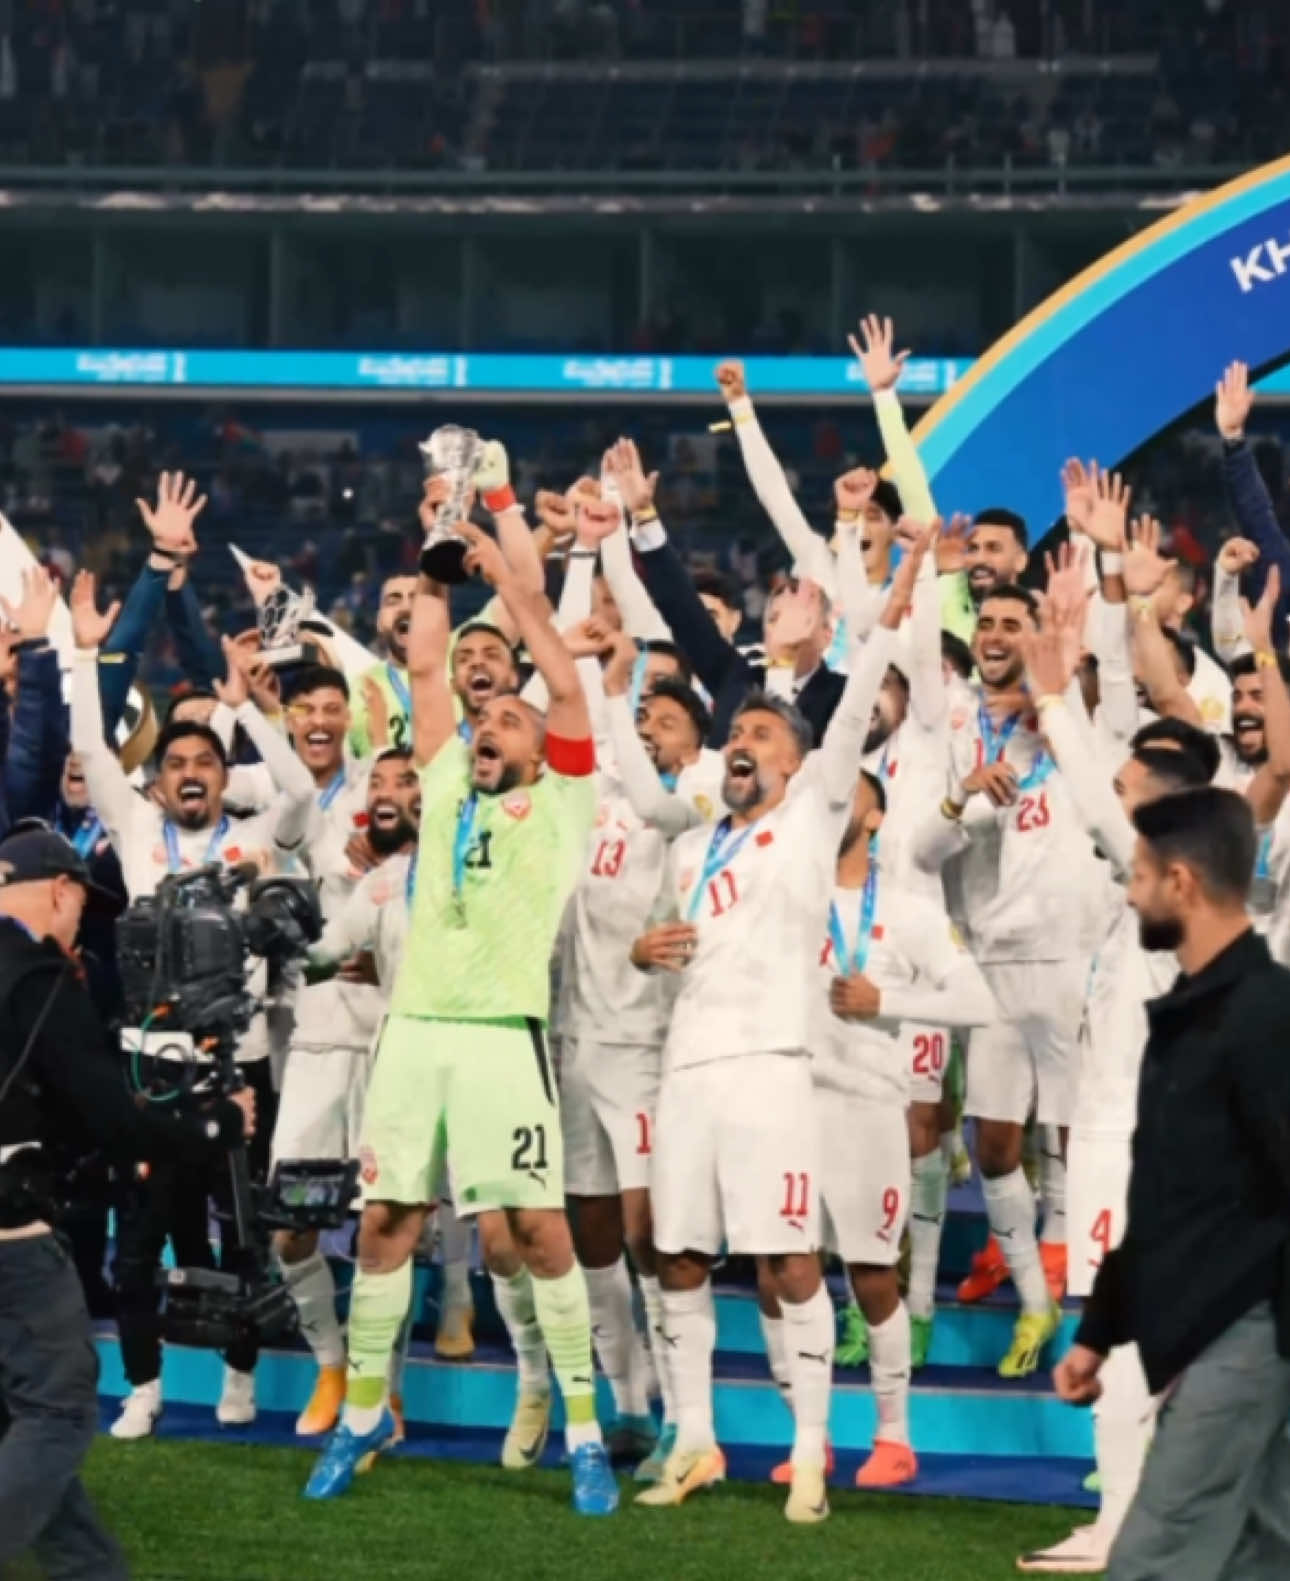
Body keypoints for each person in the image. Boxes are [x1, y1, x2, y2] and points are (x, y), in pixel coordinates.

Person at [305, 520, 618, 1516]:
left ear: (544, 749)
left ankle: (583, 1429)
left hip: (500, 1039)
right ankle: (359, 1421)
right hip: (415, 1035)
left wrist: (507, 577)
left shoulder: (565, 801)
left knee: (537, 1231)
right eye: (487, 725)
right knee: (385, 1222)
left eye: (510, 725)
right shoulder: (443, 779)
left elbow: (563, 684)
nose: (492, 731)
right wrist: (438, 554)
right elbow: (430, 667)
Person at [629, 533, 929, 1523]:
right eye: (738, 736)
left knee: (788, 1262)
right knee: (675, 1256)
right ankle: (698, 1441)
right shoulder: (697, 843)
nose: (745, 745)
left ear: (802, 768)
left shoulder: (810, 821)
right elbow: (672, 943)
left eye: (764, 737)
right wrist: (643, 953)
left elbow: (852, 705)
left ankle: (810, 1455)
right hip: (686, 1071)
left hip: (770, 1072)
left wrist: (888, 600)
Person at [68, 570, 315, 1434]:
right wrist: (86, 651)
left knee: (241, 1239)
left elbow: (300, 790)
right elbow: (95, 751)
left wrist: (244, 707)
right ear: (160, 780)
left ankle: (238, 1380)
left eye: (205, 762)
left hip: (239, 1070)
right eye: (175, 763)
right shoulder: (137, 830)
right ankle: (143, 1385)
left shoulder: (252, 841)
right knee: (142, 1243)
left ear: (223, 773)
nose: (190, 774)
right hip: (151, 1069)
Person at [1012, 595, 1220, 1574]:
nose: (1112, 792)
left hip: (1138, 1148)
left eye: (1129, 782)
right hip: (1120, 1139)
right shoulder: (1156, 889)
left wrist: (1055, 699)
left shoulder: (1185, 884)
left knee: (1128, 1333)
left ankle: (1126, 1522)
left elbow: (1096, 804)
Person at [0, 822, 254, 1580]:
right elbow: (111, 1120)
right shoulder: (38, 977)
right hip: (11, 1237)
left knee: (21, 1419)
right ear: (61, 890)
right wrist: (217, 1121)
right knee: (56, 1413)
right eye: (81, 903)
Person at [1058, 786, 1290, 1581]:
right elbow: (1163, 1195)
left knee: (1152, 1564)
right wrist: (1099, 1328)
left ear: (1182, 882)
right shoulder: (1189, 1018)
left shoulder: (1264, 1015)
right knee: (1254, 1560)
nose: (1130, 892)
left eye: (1142, 875)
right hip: (1221, 1332)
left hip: (1253, 1336)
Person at [914, 580, 1087, 1377]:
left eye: (1011, 623)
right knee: (992, 1146)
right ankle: (1035, 1298)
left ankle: (1078, 1287)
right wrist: (961, 798)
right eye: (984, 621)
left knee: (1076, 1134)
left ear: (1036, 637)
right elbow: (921, 850)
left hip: (1063, 957)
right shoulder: (950, 726)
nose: (992, 633)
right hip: (986, 960)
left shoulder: (1065, 721)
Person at [810, 768, 996, 1490]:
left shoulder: (911, 908)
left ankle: (894, 1436)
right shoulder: (786, 893)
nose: (832, 807)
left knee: (870, 1272)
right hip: (789, 1102)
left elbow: (977, 999)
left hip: (867, 1107)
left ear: (878, 815)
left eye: (847, 793)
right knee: (782, 1269)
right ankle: (811, 1436)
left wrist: (887, 998)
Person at [348, 573, 418, 757]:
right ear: (379, 622)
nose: (405, 607)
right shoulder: (361, 688)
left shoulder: (463, 666)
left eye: (416, 599)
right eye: (393, 601)